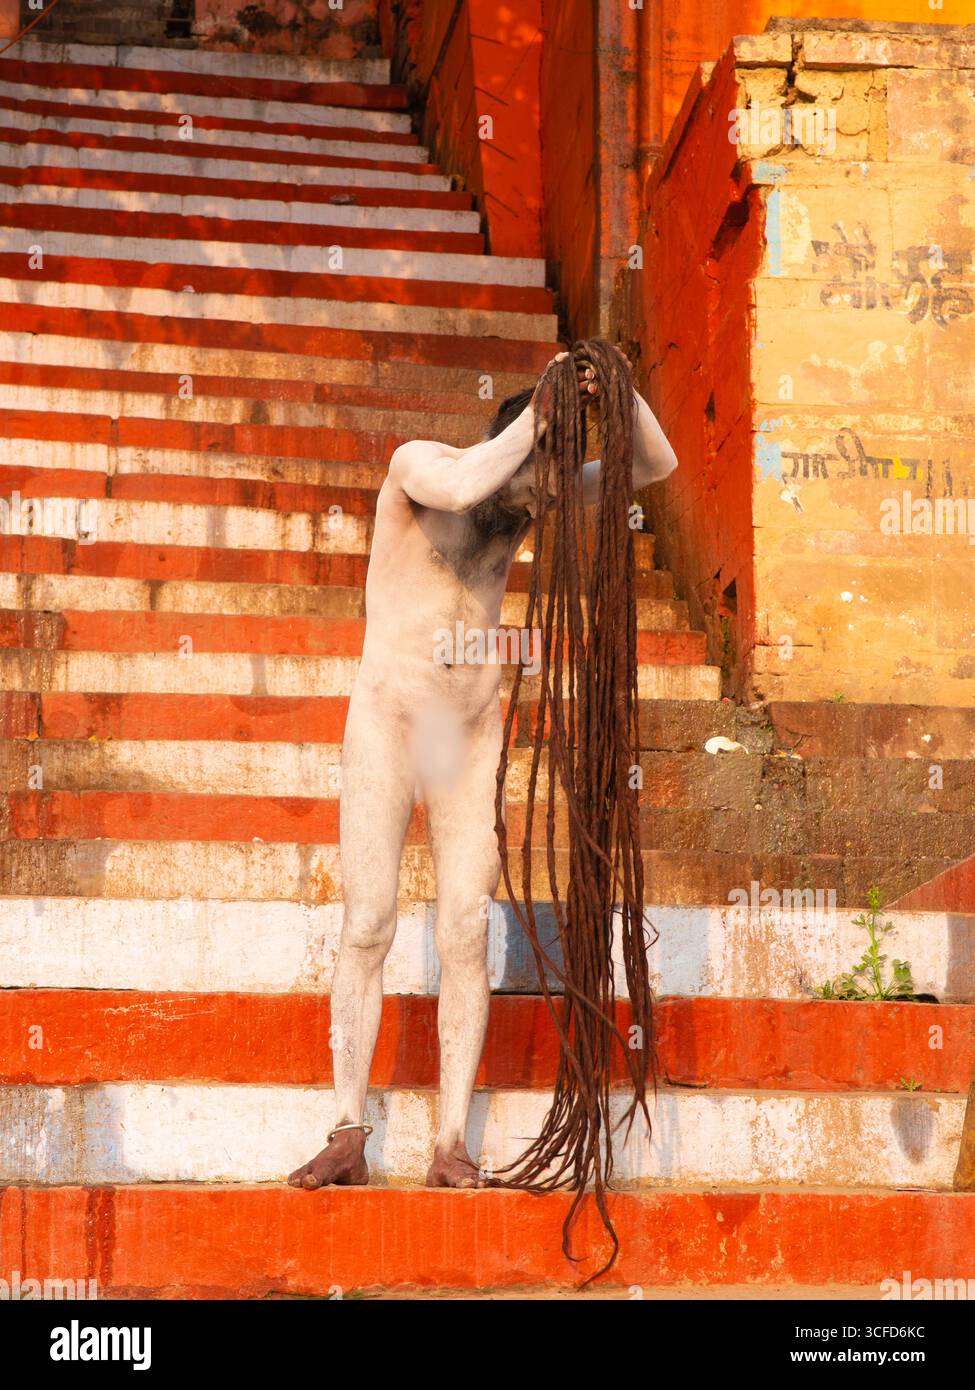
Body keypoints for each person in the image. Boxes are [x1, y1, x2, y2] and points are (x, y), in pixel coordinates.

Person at [288, 347, 678, 1189]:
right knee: (369, 922)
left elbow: (654, 464)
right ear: (522, 444)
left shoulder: (530, 492)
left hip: (468, 731)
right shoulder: (423, 469)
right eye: (544, 473)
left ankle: (448, 1143)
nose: (548, 497)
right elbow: (469, 486)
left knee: (466, 928)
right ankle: (348, 1129)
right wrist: (546, 406)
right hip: (390, 721)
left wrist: (611, 382)